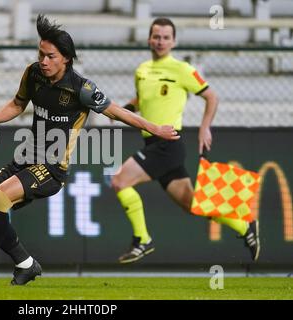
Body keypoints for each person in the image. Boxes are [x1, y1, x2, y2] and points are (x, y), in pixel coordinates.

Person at [0, 14, 179, 286]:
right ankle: (26, 264)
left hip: (51, 168)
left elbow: (117, 112)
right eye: (41, 54)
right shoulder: (33, 73)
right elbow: (17, 104)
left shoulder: (81, 88)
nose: (43, 61)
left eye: (50, 56)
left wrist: (155, 128)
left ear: (66, 59)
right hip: (26, 157)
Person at [111, 17, 260, 264]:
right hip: (153, 144)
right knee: (192, 204)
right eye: (156, 36)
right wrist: (124, 109)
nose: (160, 41)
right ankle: (245, 226)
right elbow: (141, 98)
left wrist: (205, 128)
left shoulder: (183, 69)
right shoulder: (142, 70)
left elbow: (212, 97)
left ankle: (142, 239)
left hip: (168, 144)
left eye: (166, 37)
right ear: (149, 39)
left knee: (119, 181)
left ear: (174, 41)